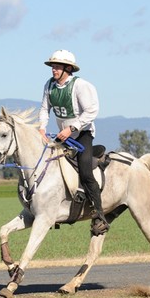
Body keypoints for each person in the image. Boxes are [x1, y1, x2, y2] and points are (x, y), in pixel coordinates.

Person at [38, 49, 109, 235]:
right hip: (63, 136)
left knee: (85, 171)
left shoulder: (81, 86)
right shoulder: (49, 85)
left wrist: (72, 129)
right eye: (52, 66)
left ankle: (99, 216)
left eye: (57, 66)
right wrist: (41, 128)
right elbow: (45, 109)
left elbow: (91, 111)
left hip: (82, 134)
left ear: (68, 68)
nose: (53, 69)